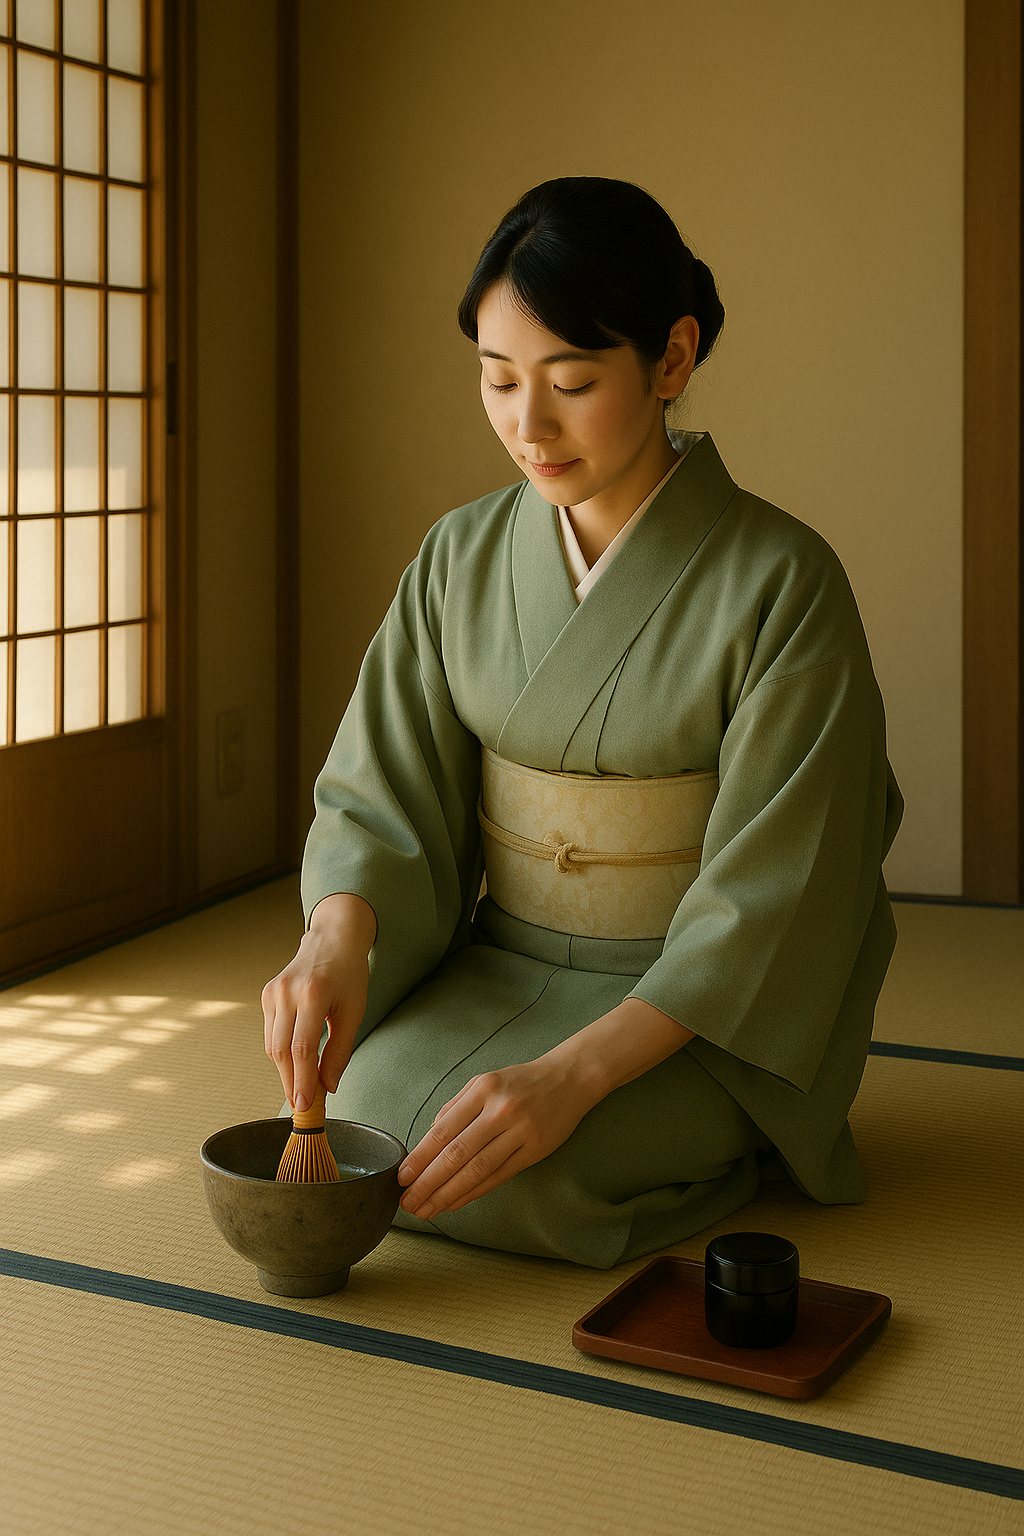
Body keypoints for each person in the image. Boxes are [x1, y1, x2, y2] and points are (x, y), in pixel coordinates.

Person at [261, 177, 903, 1270]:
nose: (526, 424)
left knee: (517, 1173)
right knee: (368, 1120)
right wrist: (335, 934)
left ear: (671, 359)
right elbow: (382, 791)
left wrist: (578, 1074)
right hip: (502, 960)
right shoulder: (458, 558)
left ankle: (730, 1143)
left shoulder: (783, 582)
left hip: (696, 1014)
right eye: (497, 379)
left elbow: (778, 894)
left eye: (569, 381)